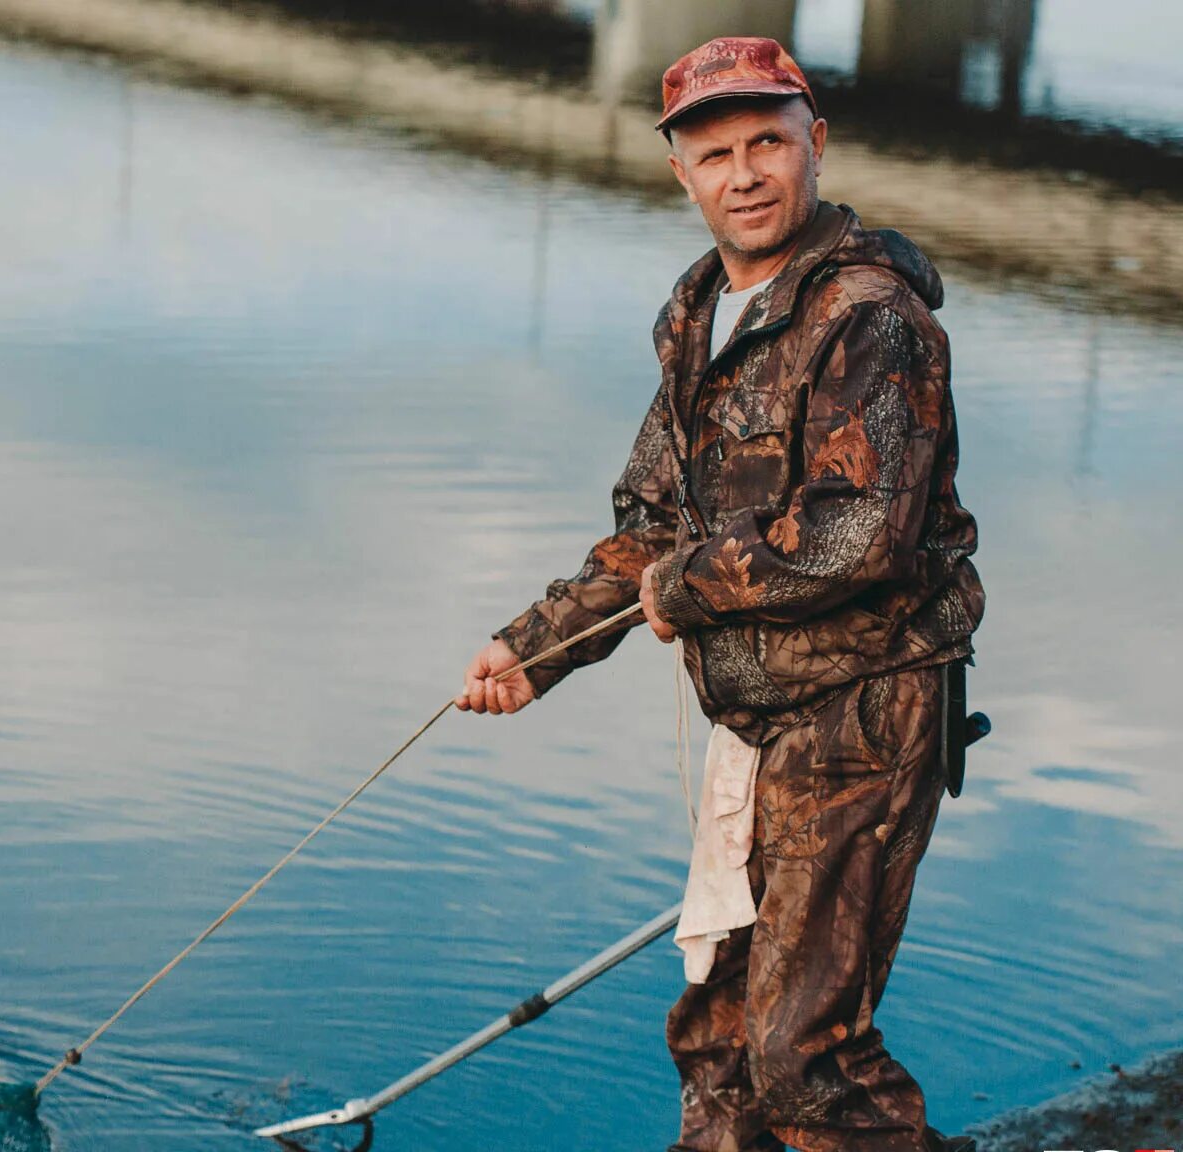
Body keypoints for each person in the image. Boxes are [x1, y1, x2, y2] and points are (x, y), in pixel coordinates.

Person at [453, 37, 986, 1152]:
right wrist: (532, 650)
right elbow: (648, 528)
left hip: (863, 713)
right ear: (679, 174)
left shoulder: (870, 316)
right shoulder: (702, 314)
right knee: (719, 1034)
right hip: (759, 719)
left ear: (815, 146)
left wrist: (683, 590)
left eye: (766, 145)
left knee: (803, 1057)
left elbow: (861, 535)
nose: (744, 174)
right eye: (714, 154)